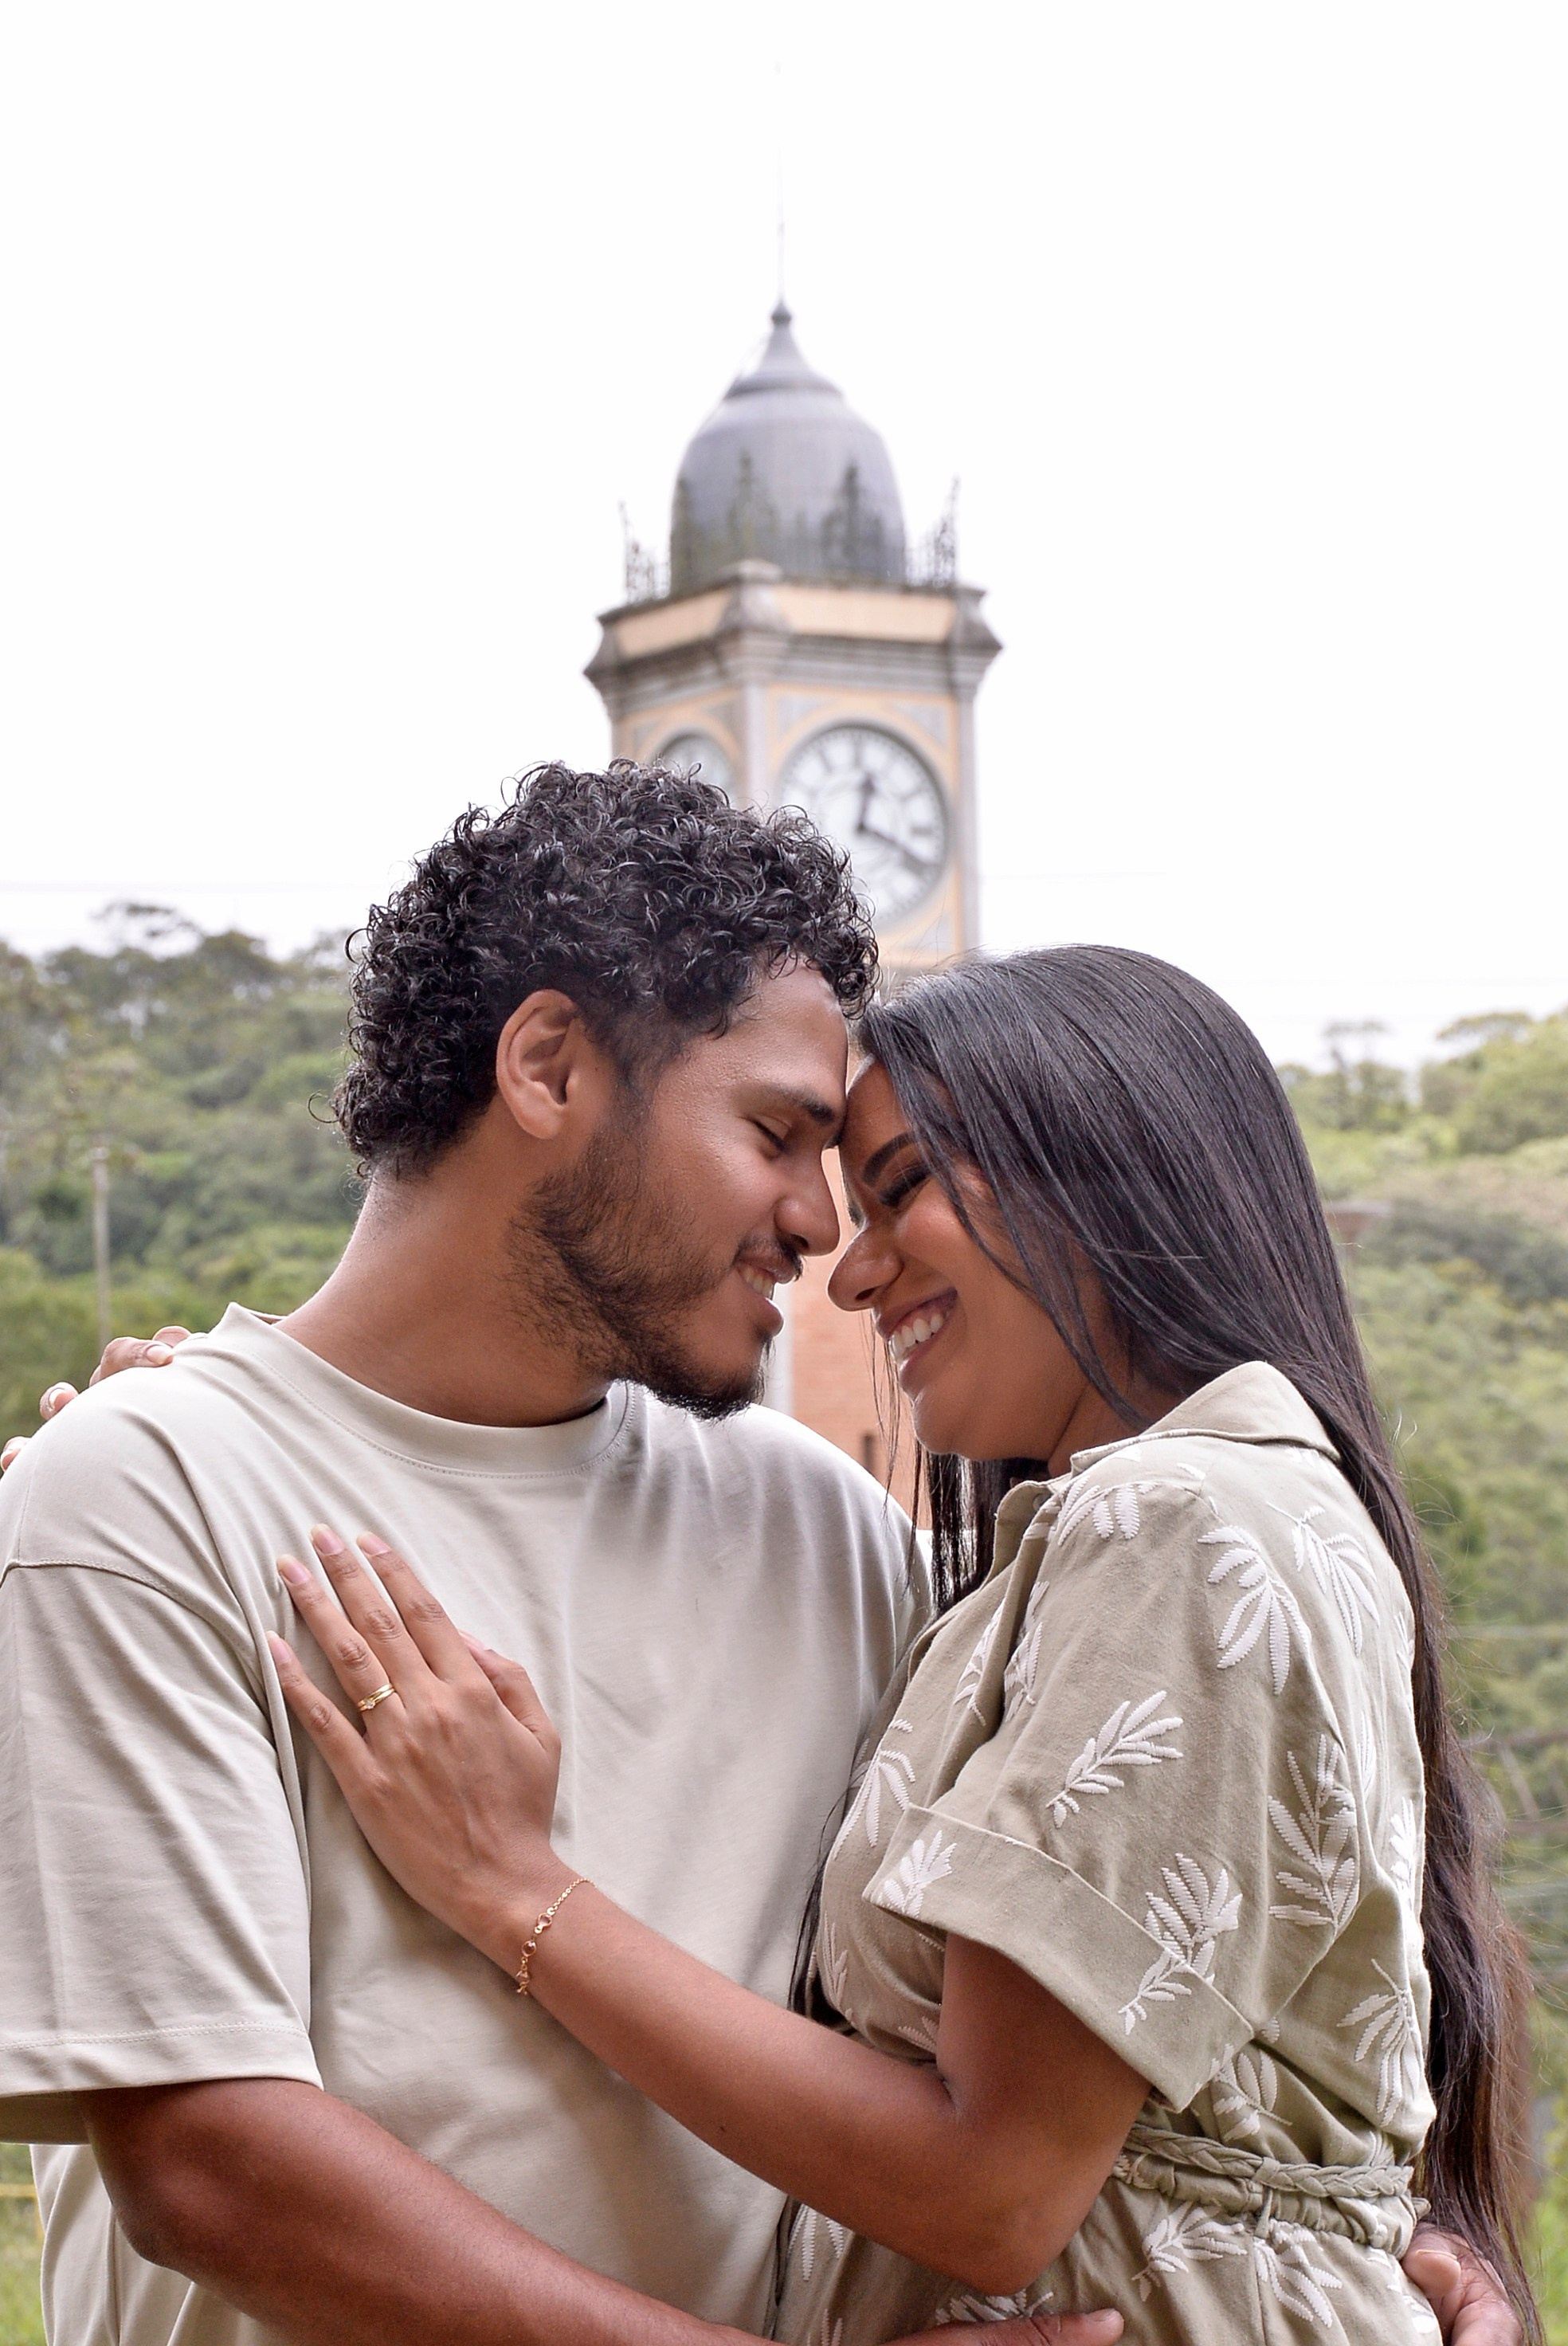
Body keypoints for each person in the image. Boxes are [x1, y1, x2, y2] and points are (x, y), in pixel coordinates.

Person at [0, 791, 1518, 2344]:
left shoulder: (831, 1526)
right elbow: (209, 2165)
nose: (824, 1234)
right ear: (548, 1068)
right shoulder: (146, 1491)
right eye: (780, 1135)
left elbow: (1167, 1902)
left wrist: (1381, 2231)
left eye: (873, 1178)